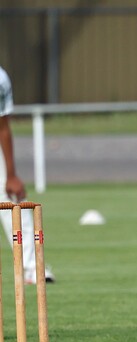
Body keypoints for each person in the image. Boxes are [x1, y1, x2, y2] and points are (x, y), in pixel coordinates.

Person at [0, 65, 55, 284]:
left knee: (13, 198)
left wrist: (11, 175)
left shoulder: (0, 79)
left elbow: (2, 127)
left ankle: (32, 268)